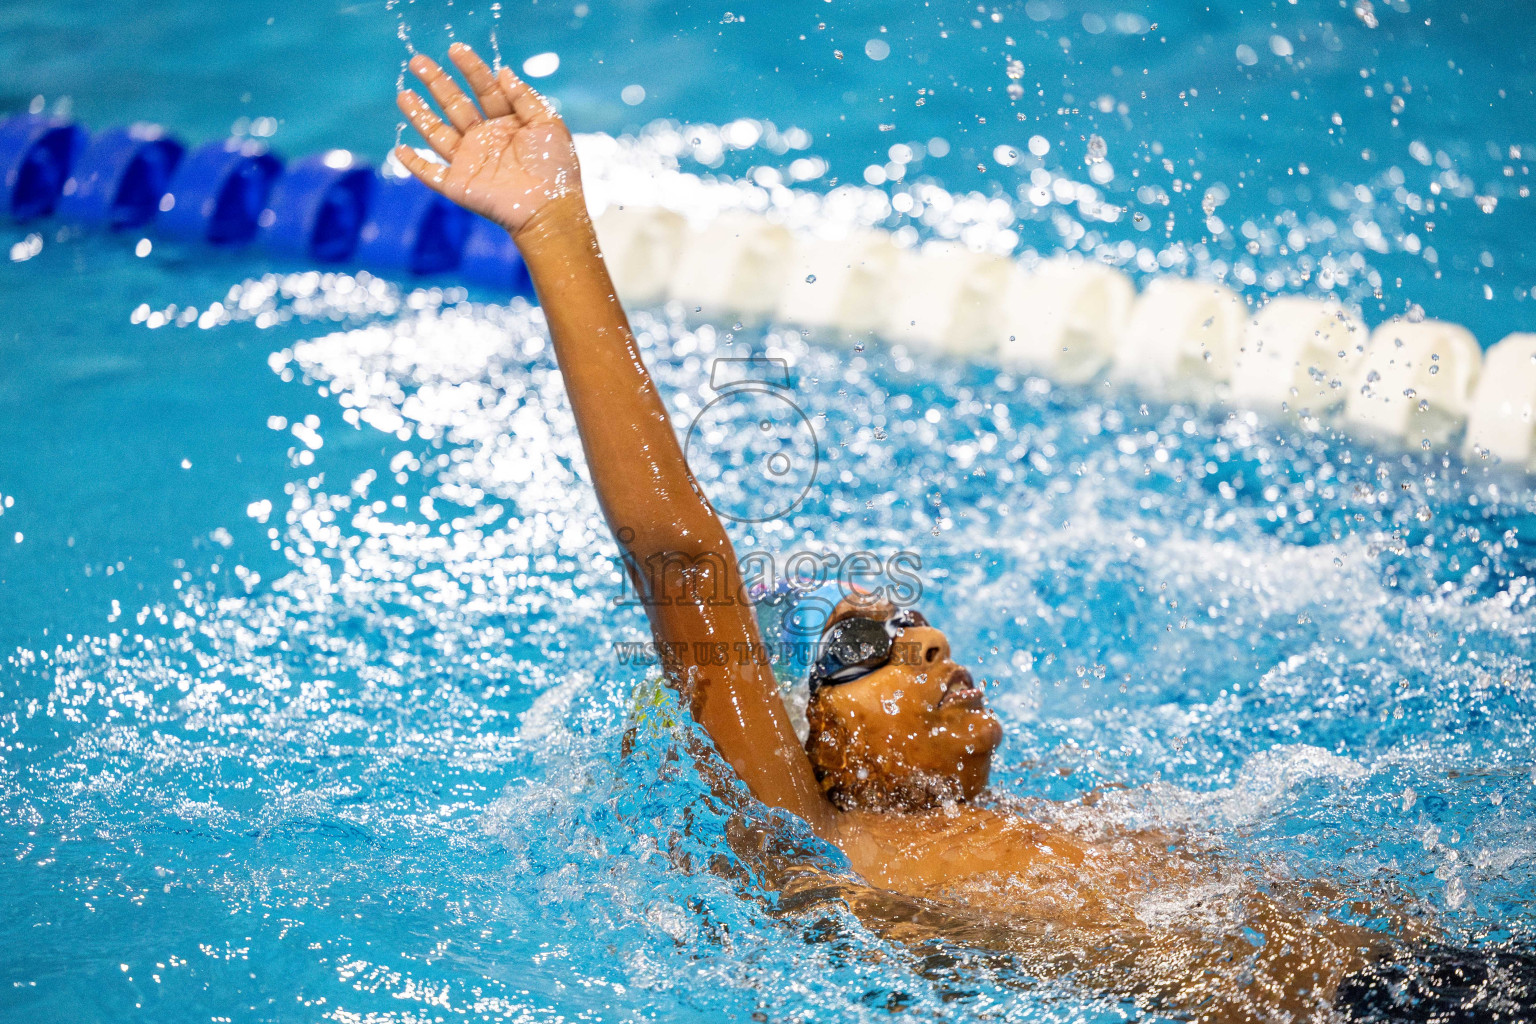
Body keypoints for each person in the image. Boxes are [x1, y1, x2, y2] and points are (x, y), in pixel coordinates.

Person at [391, 43, 1535, 1022]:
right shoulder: (814, 840)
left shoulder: (1050, 814)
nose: (929, 646)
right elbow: (683, 558)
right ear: (805, 742)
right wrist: (554, 225)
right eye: (859, 651)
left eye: (919, 628)